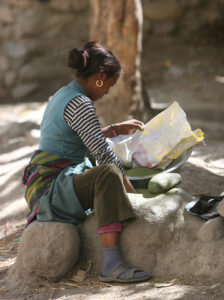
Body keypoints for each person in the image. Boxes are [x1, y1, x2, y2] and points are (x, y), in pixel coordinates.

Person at [22, 41, 151, 283]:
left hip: (48, 183)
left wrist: (113, 129)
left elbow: (73, 135)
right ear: (100, 77)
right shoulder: (81, 104)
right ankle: (112, 264)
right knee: (108, 173)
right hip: (51, 190)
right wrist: (132, 194)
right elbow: (103, 155)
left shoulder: (65, 93)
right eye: (109, 85)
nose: (107, 92)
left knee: (105, 167)